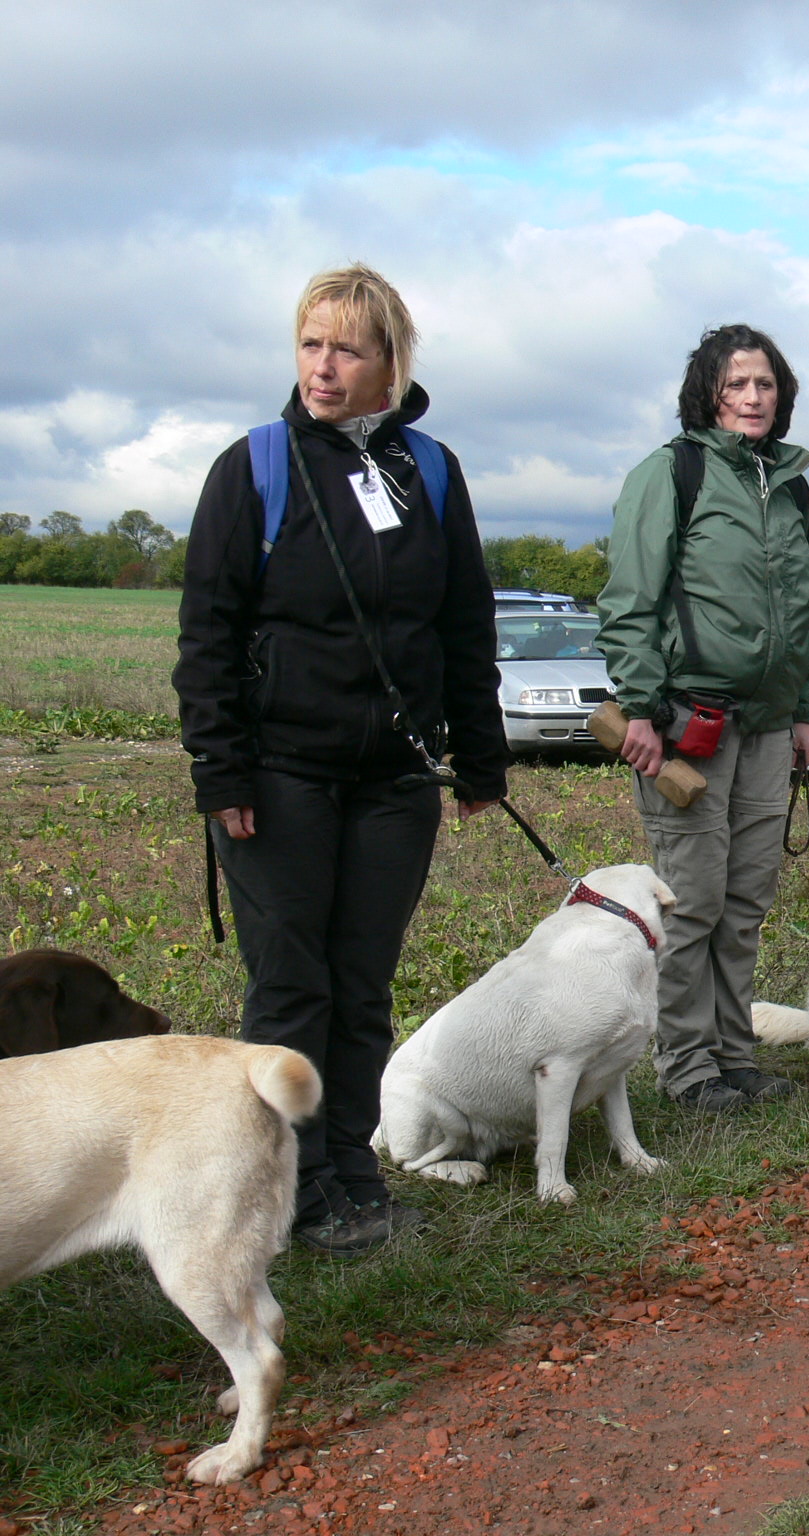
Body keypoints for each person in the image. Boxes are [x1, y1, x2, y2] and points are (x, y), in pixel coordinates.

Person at [174, 263, 507, 1258]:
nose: (323, 366)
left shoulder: (431, 471)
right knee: (289, 989)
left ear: (390, 363)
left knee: (361, 984)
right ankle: (282, 1185)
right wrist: (220, 773)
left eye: (347, 349)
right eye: (311, 344)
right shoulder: (257, 467)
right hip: (279, 776)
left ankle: (350, 1171)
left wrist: (480, 757)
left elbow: (463, 622)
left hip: (393, 781)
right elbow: (209, 633)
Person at [596, 324, 809, 1114]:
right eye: (737, 386)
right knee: (691, 899)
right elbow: (630, 602)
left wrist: (800, 711)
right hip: (688, 722)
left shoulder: (788, 483)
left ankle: (735, 1052)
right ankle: (687, 1067)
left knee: (747, 897)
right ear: (709, 393)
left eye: (765, 384)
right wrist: (641, 708)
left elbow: (798, 609)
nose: (753, 398)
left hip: (765, 726)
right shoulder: (671, 473)